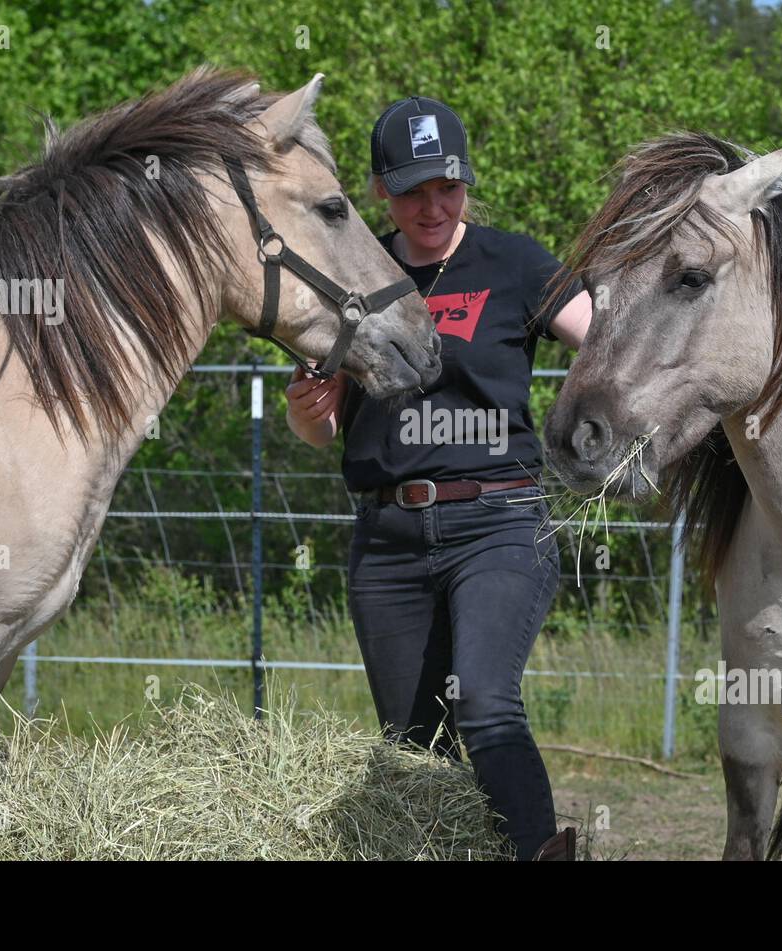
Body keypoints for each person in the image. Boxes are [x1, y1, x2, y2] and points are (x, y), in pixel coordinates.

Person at [285, 95, 591, 860]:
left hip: (498, 523)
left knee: (486, 704)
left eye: (447, 187)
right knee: (415, 746)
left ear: (466, 183)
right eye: (414, 189)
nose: (433, 205)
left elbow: (611, 342)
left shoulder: (515, 263)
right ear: (380, 191)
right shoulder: (354, 269)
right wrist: (307, 405)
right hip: (387, 543)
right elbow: (321, 431)